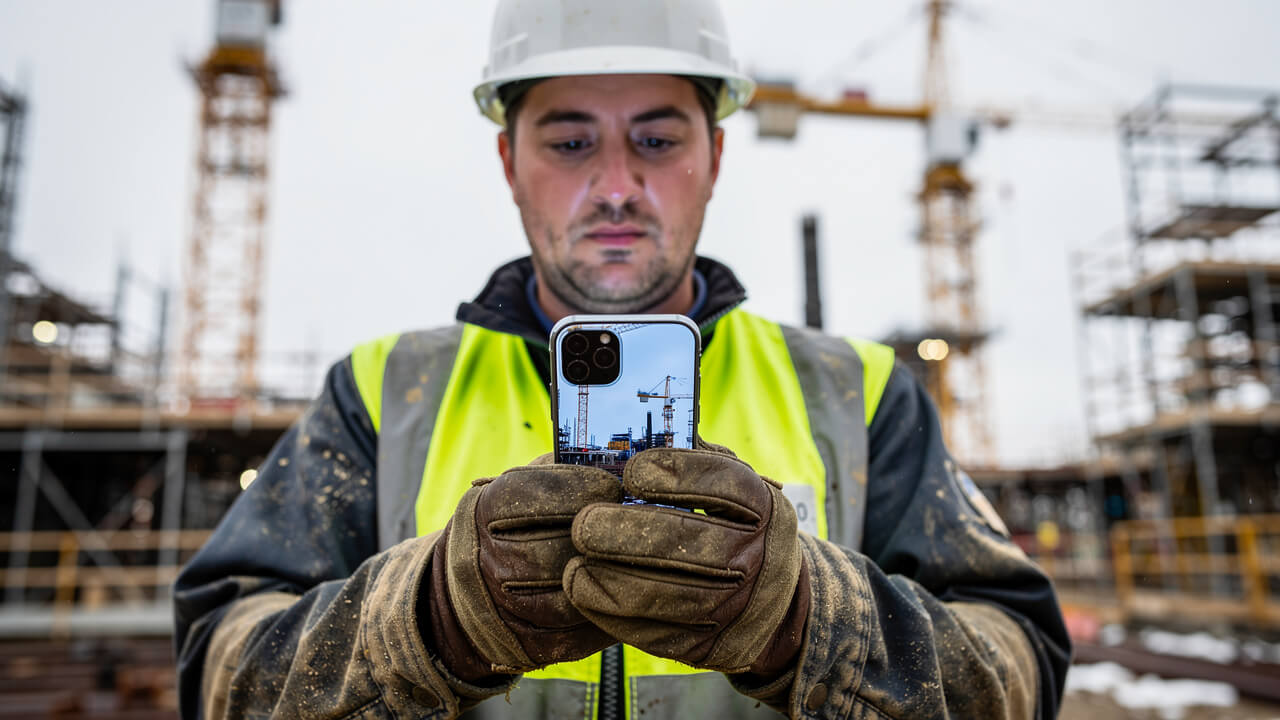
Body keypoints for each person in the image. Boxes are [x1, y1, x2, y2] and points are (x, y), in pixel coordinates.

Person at [174, 1, 1071, 718]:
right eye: (569, 143)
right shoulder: (383, 392)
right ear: (508, 162)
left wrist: (805, 625)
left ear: (715, 156)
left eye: (657, 139)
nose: (613, 187)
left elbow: (1017, 666)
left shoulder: (860, 394)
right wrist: (430, 621)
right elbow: (221, 667)